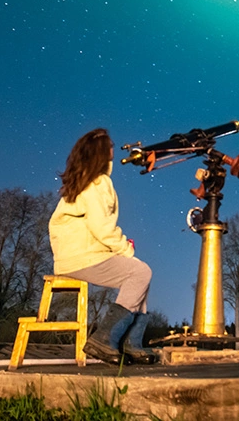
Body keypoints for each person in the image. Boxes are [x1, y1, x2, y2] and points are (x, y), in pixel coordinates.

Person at [49, 127, 157, 364]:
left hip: (79, 254)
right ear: (101, 152)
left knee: (140, 274)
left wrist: (121, 250)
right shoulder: (97, 183)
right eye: (110, 146)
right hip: (80, 257)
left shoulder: (87, 181)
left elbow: (94, 228)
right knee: (140, 271)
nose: (113, 149)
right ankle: (105, 339)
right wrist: (125, 249)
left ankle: (132, 343)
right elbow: (101, 228)